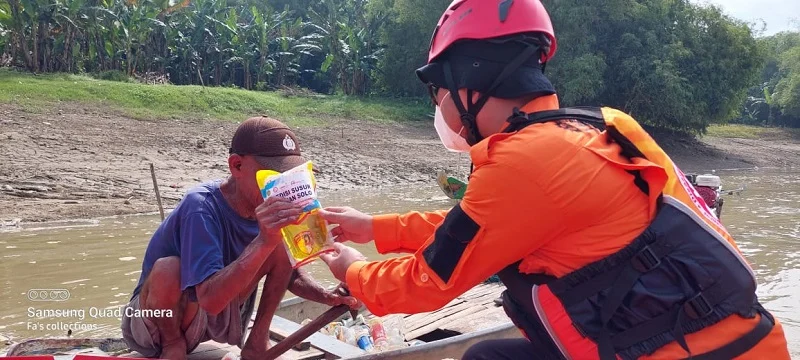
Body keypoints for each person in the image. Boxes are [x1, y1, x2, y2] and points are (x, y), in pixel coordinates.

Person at [318, 0, 791, 359]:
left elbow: (426, 282)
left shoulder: (525, 162)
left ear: (469, 81)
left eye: (437, 90)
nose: (438, 105)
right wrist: (375, 228)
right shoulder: (596, 126)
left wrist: (352, 269)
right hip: (734, 337)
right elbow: (482, 226)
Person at [121, 116, 357, 360]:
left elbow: (289, 275)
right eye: (272, 176)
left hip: (213, 315)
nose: (282, 186)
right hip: (157, 323)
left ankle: (257, 340)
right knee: (168, 268)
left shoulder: (269, 207)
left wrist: (326, 296)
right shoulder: (201, 207)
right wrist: (264, 240)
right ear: (237, 166)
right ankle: (173, 344)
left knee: (278, 244)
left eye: (290, 177)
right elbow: (210, 300)